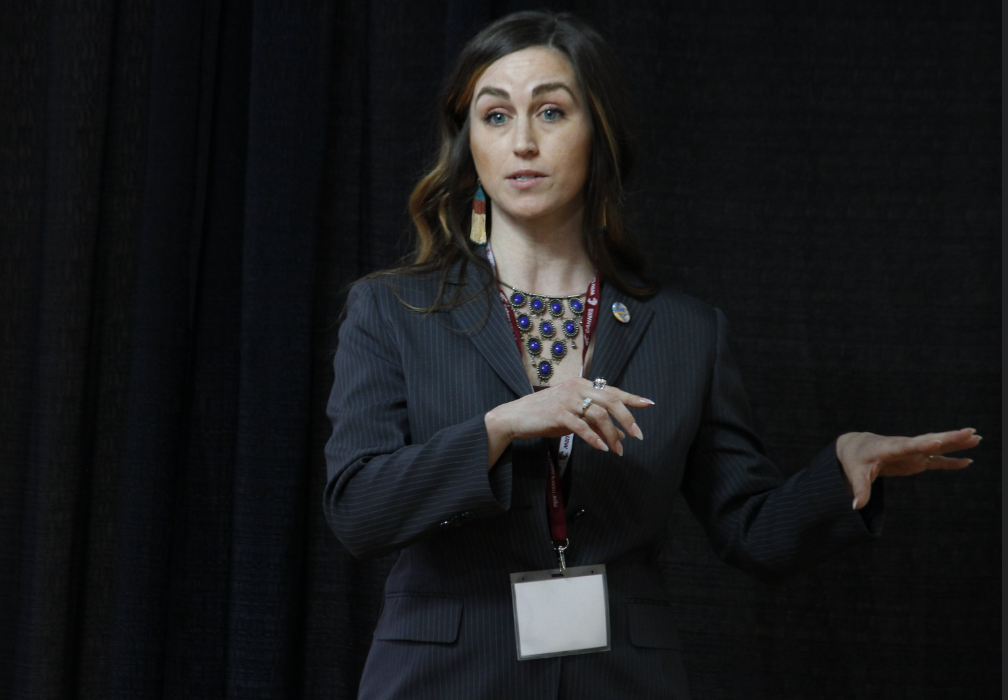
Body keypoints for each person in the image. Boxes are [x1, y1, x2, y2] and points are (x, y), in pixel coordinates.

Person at [323, 11, 979, 699]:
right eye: (494, 116)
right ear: (469, 147)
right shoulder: (392, 311)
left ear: (598, 136)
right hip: (442, 681)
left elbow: (751, 530)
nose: (522, 141)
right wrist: (504, 426)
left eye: (551, 111)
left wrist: (842, 468)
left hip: (622, 680)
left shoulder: (687, 331)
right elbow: (360, 511)